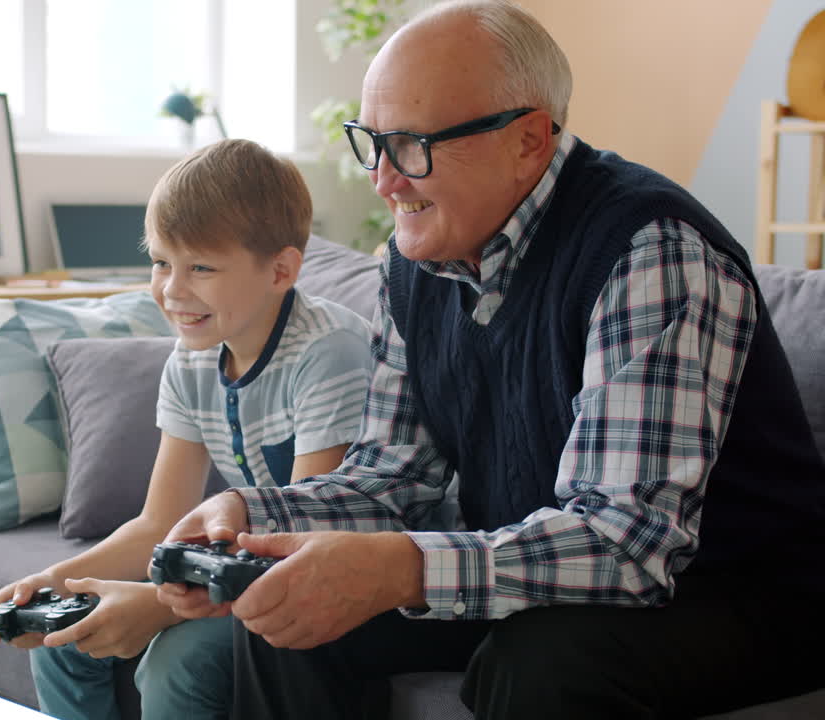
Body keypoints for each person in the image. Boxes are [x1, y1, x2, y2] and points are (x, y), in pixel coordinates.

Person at [155, 2, 825, 719]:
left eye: (411, 145)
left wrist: (405, 569)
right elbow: (393, 479)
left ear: (529, 140)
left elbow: (628, 544)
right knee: (291, 611)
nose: (383, 180)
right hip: (547, 568)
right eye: (372, 142)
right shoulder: (414, 263)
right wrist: (247, 515)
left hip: (743, 589)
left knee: (540, 661)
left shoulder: (649, 252)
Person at [0, 138, 373, 720]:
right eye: (161, 262)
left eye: (201, 268)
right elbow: (160, 523)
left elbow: (305, 541)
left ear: (281, 270)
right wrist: (55, 579)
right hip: (251, 566)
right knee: (63, 635)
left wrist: (156, 607)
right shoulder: (190, 363)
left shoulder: (328, 353)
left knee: (176, 659)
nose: (171, 289)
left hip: (337, 576)